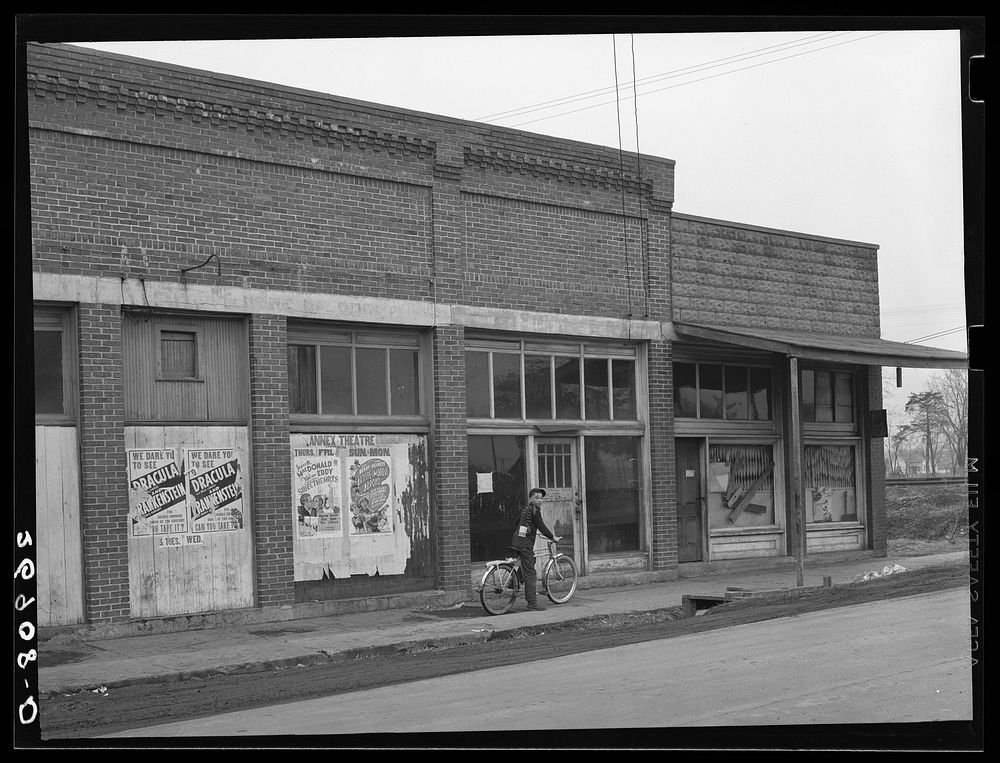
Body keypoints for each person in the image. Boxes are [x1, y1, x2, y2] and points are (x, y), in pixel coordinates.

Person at [511, 487, 558, 611]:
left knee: (530, 562)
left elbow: (517, 522)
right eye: (537, 498)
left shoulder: (525, 510)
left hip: (517, 541)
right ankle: (532, 603)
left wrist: (528, 528)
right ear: (531, 499)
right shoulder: (534, 510)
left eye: (541, 498)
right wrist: (553, 537)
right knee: (531, 573)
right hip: (525, 544)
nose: (540, 500)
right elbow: (542, 526)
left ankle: (514, 581)